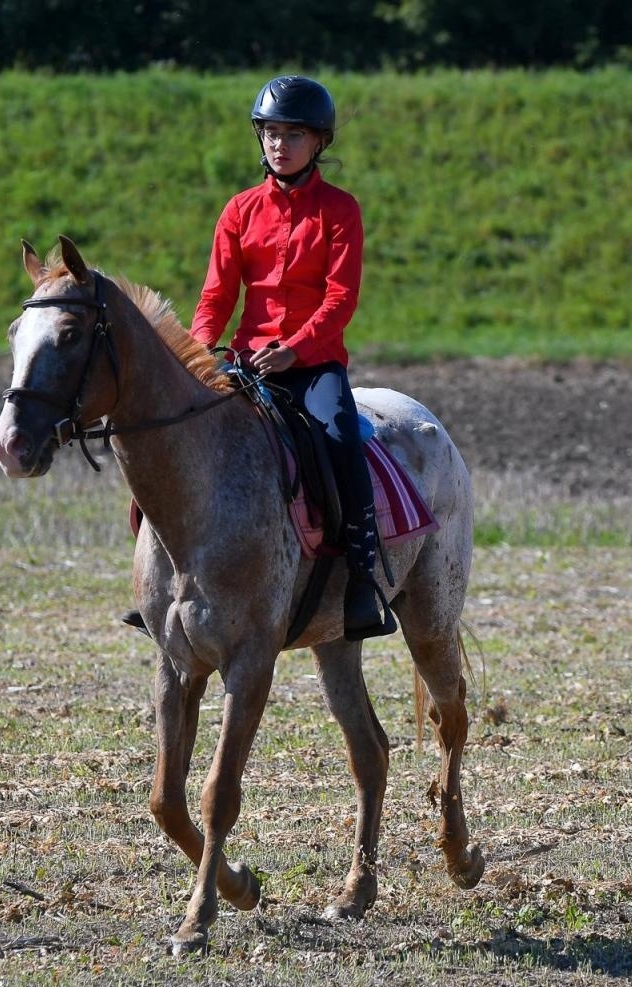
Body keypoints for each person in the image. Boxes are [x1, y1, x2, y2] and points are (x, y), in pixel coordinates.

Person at [189, 74, 396, 641]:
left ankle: (359, 579)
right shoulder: (238, 211)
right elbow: (216, 295)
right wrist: (202, 349)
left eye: (293, 134)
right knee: (177, 439)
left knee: (337, 435)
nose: (278, 144)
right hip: (246, 361)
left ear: (319, 142)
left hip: (312, 366)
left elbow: (339, 299)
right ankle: (164, 578)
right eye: (270, 133)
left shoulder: (340, 211)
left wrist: (297, 350)